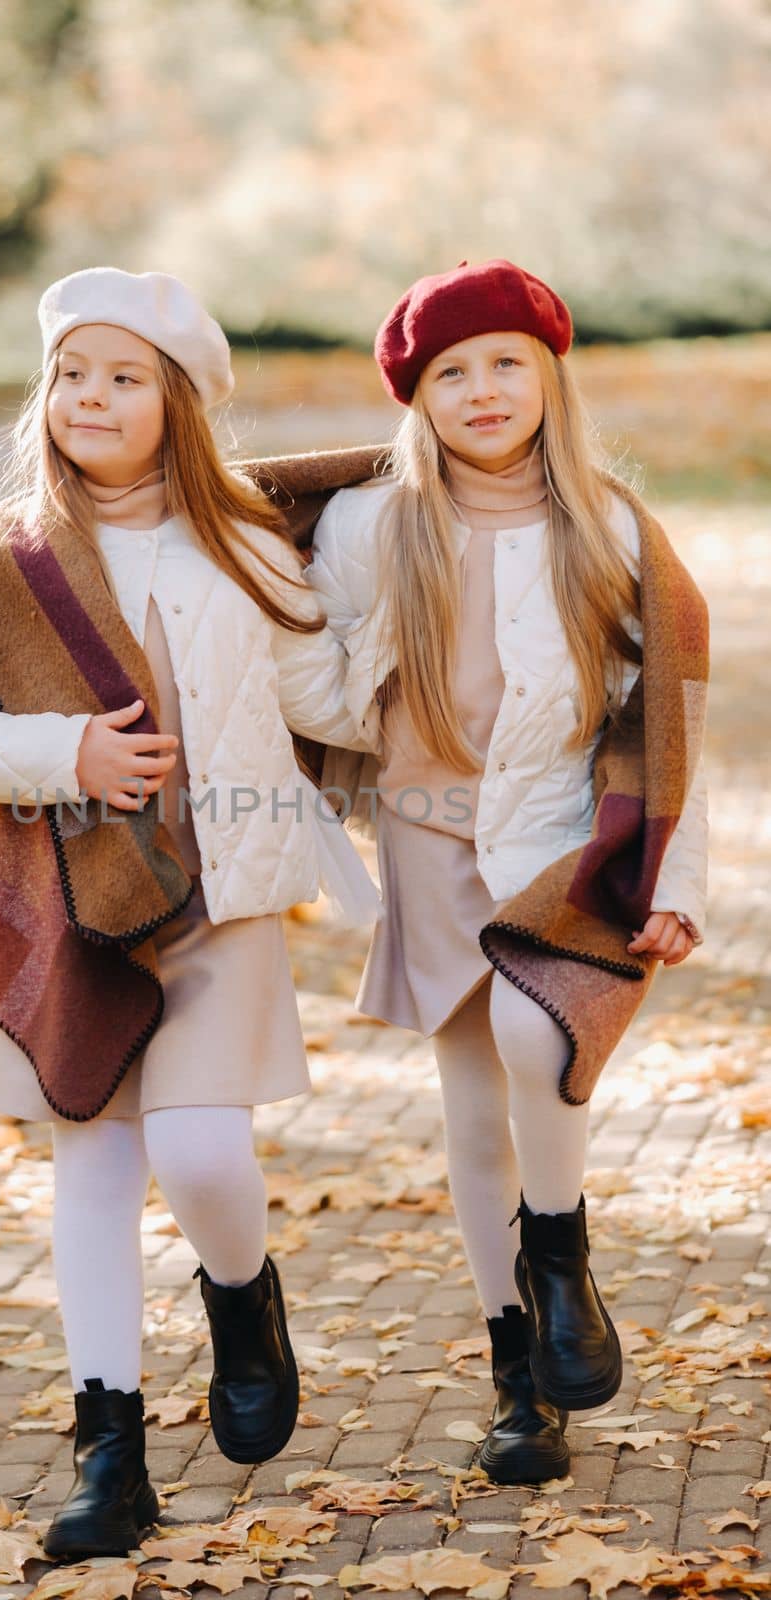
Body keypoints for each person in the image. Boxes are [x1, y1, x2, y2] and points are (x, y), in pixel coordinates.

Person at [0, 267, 378, 1557]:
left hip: (219, 894)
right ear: (43, 394)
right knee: (96, 1165)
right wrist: (69, 755)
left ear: (178, 402)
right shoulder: (4, 558)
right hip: (68, 902)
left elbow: (326, 697)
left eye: (123, 377)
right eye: (70, 374)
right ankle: (107, 1451)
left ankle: (241, 1293)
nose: (90, 397)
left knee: (206, 1153)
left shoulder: (242, 542)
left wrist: (418, 618)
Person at [293, 259, 709, 1485]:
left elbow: (666, 714)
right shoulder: (371, 526)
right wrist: (273, 629)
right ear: (416, 399)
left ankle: (563, 1253)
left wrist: (670, 870)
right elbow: (327, 693)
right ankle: (516, 1374)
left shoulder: (610, 526)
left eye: (503, 364)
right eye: (449, 373)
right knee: (475, 1108)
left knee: (543, 1041)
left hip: (559, 828)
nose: (480, 389)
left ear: (547, 376)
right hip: (427, 832)